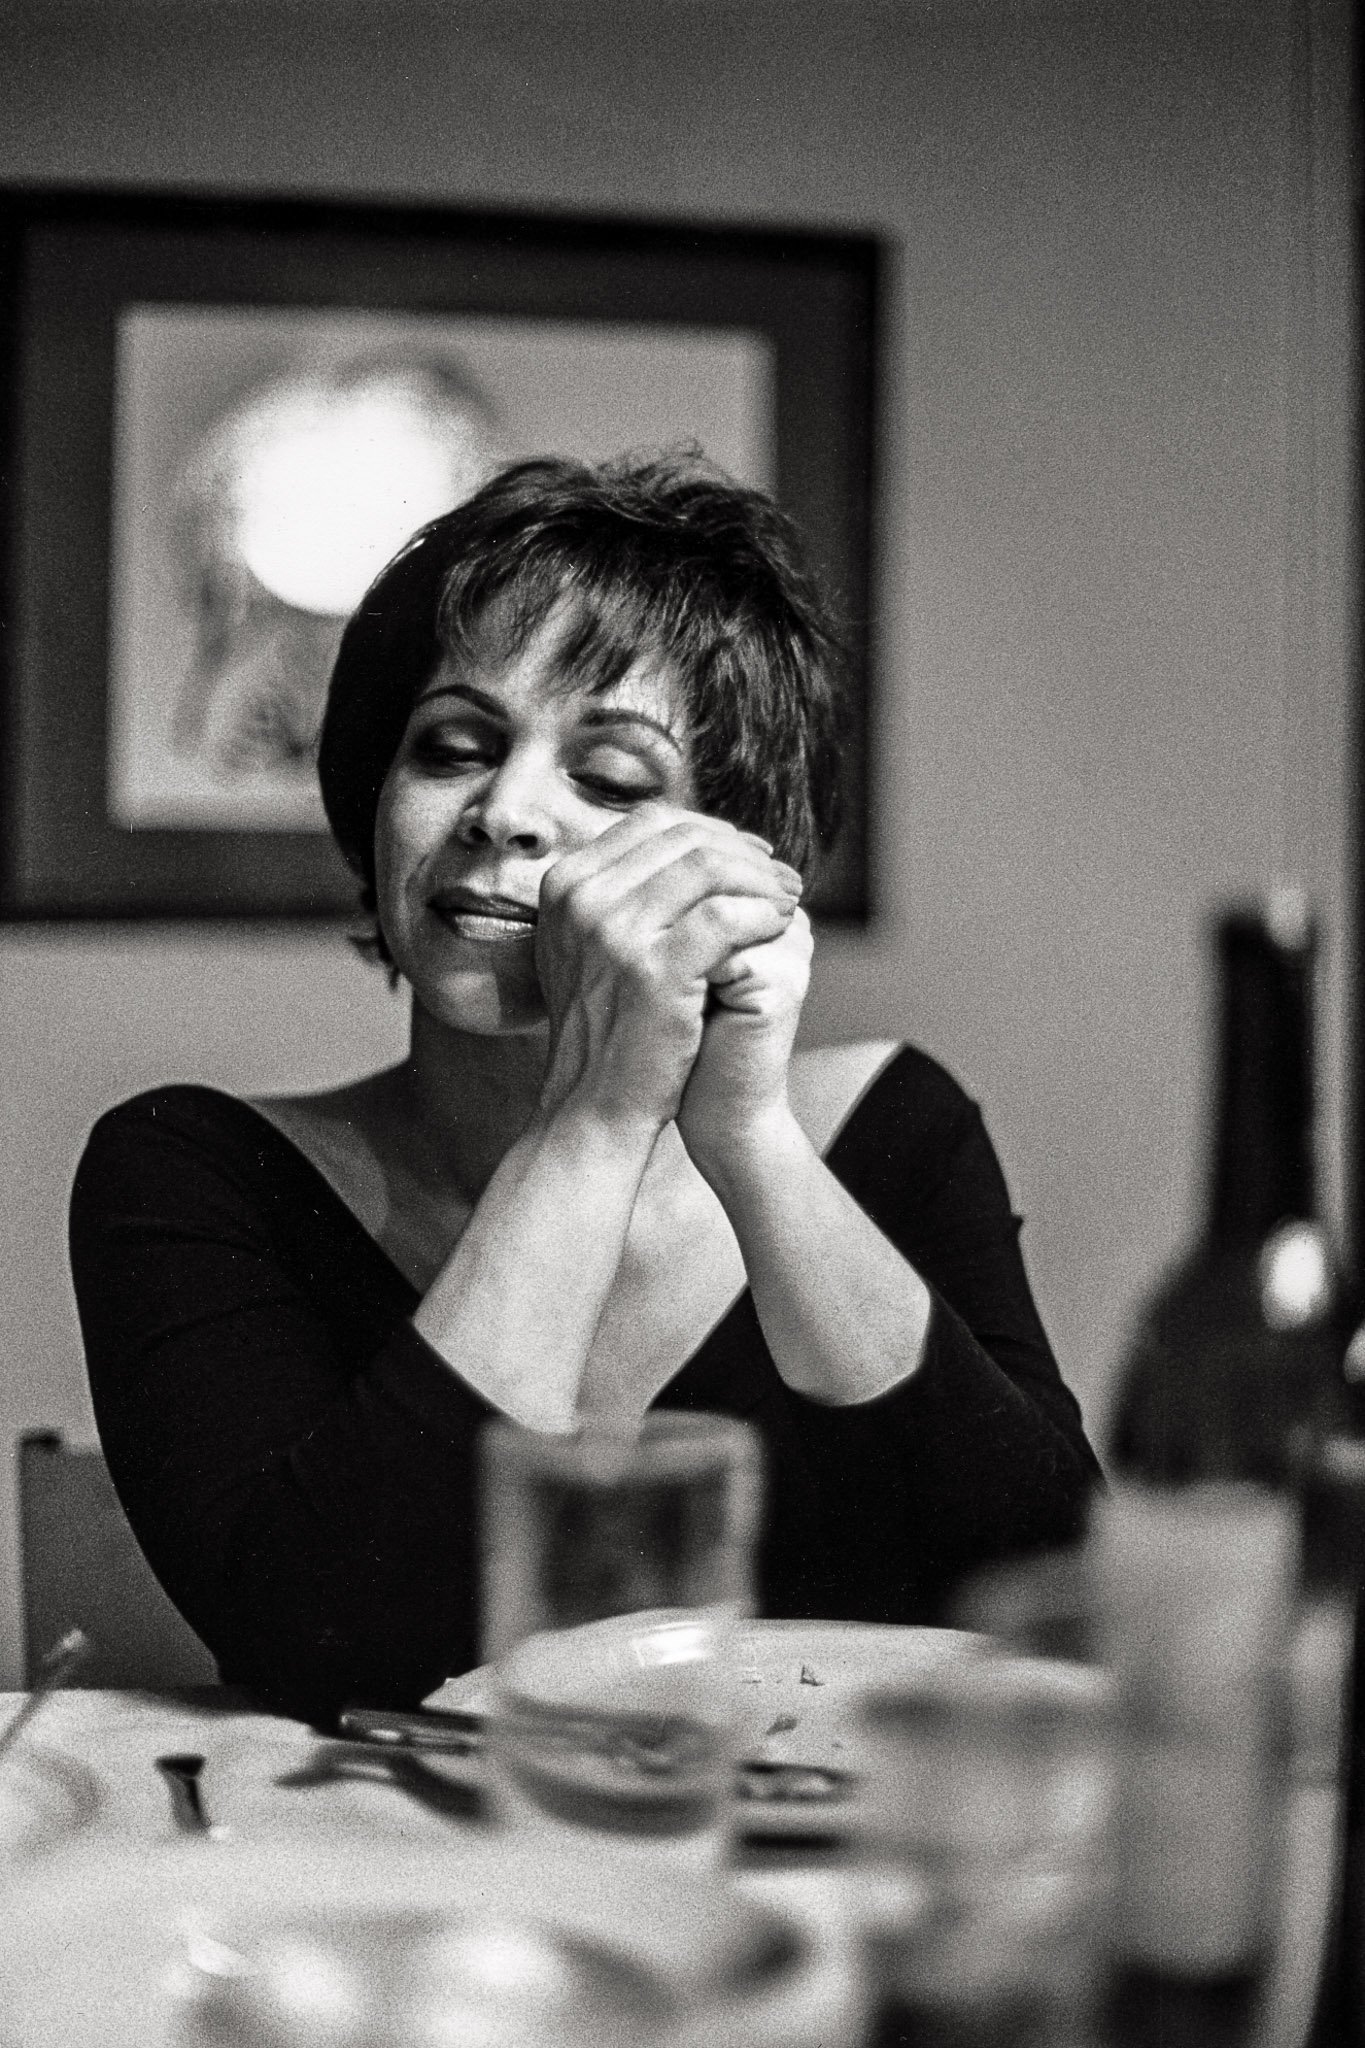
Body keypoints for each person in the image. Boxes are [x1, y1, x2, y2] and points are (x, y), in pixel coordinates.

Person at [70, 451, 1101, 1725]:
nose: (505, 810)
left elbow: (1056, 1598)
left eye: (609, 779)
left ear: (741, 865)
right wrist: (597, 1118)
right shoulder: (185, 1172)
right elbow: (324, 1641)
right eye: (454, 746)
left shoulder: (895, 1130)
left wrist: (752, 1136)